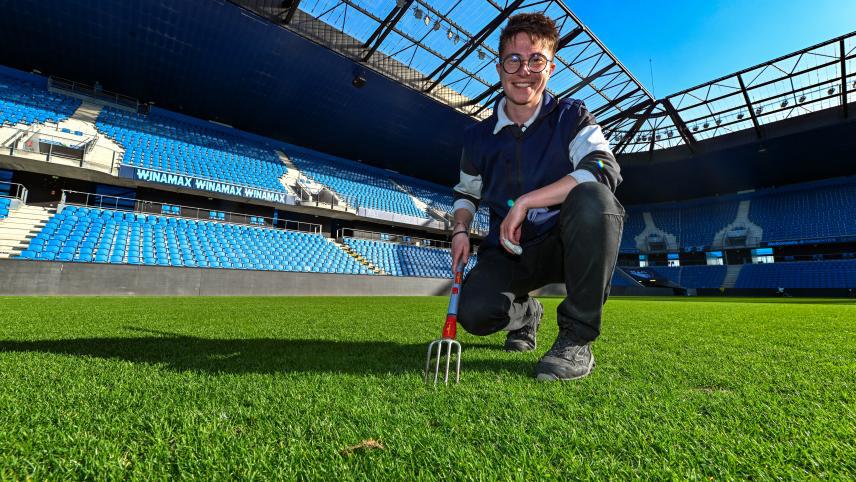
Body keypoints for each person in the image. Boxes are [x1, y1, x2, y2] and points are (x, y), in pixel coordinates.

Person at [450, 12, 625, 381]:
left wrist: (529, 201)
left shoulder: (572, 115)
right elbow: (466, 194)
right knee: (475, 314)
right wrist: (460, 230)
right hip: (509, 249)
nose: (523, 70)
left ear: (550, 67)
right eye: (513, 59)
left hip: (565, 243)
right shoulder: (477, 137)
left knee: (595, 199)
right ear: (499, 67)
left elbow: (602, 169)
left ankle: (576, 338)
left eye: (536, 60)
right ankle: (528, 314)